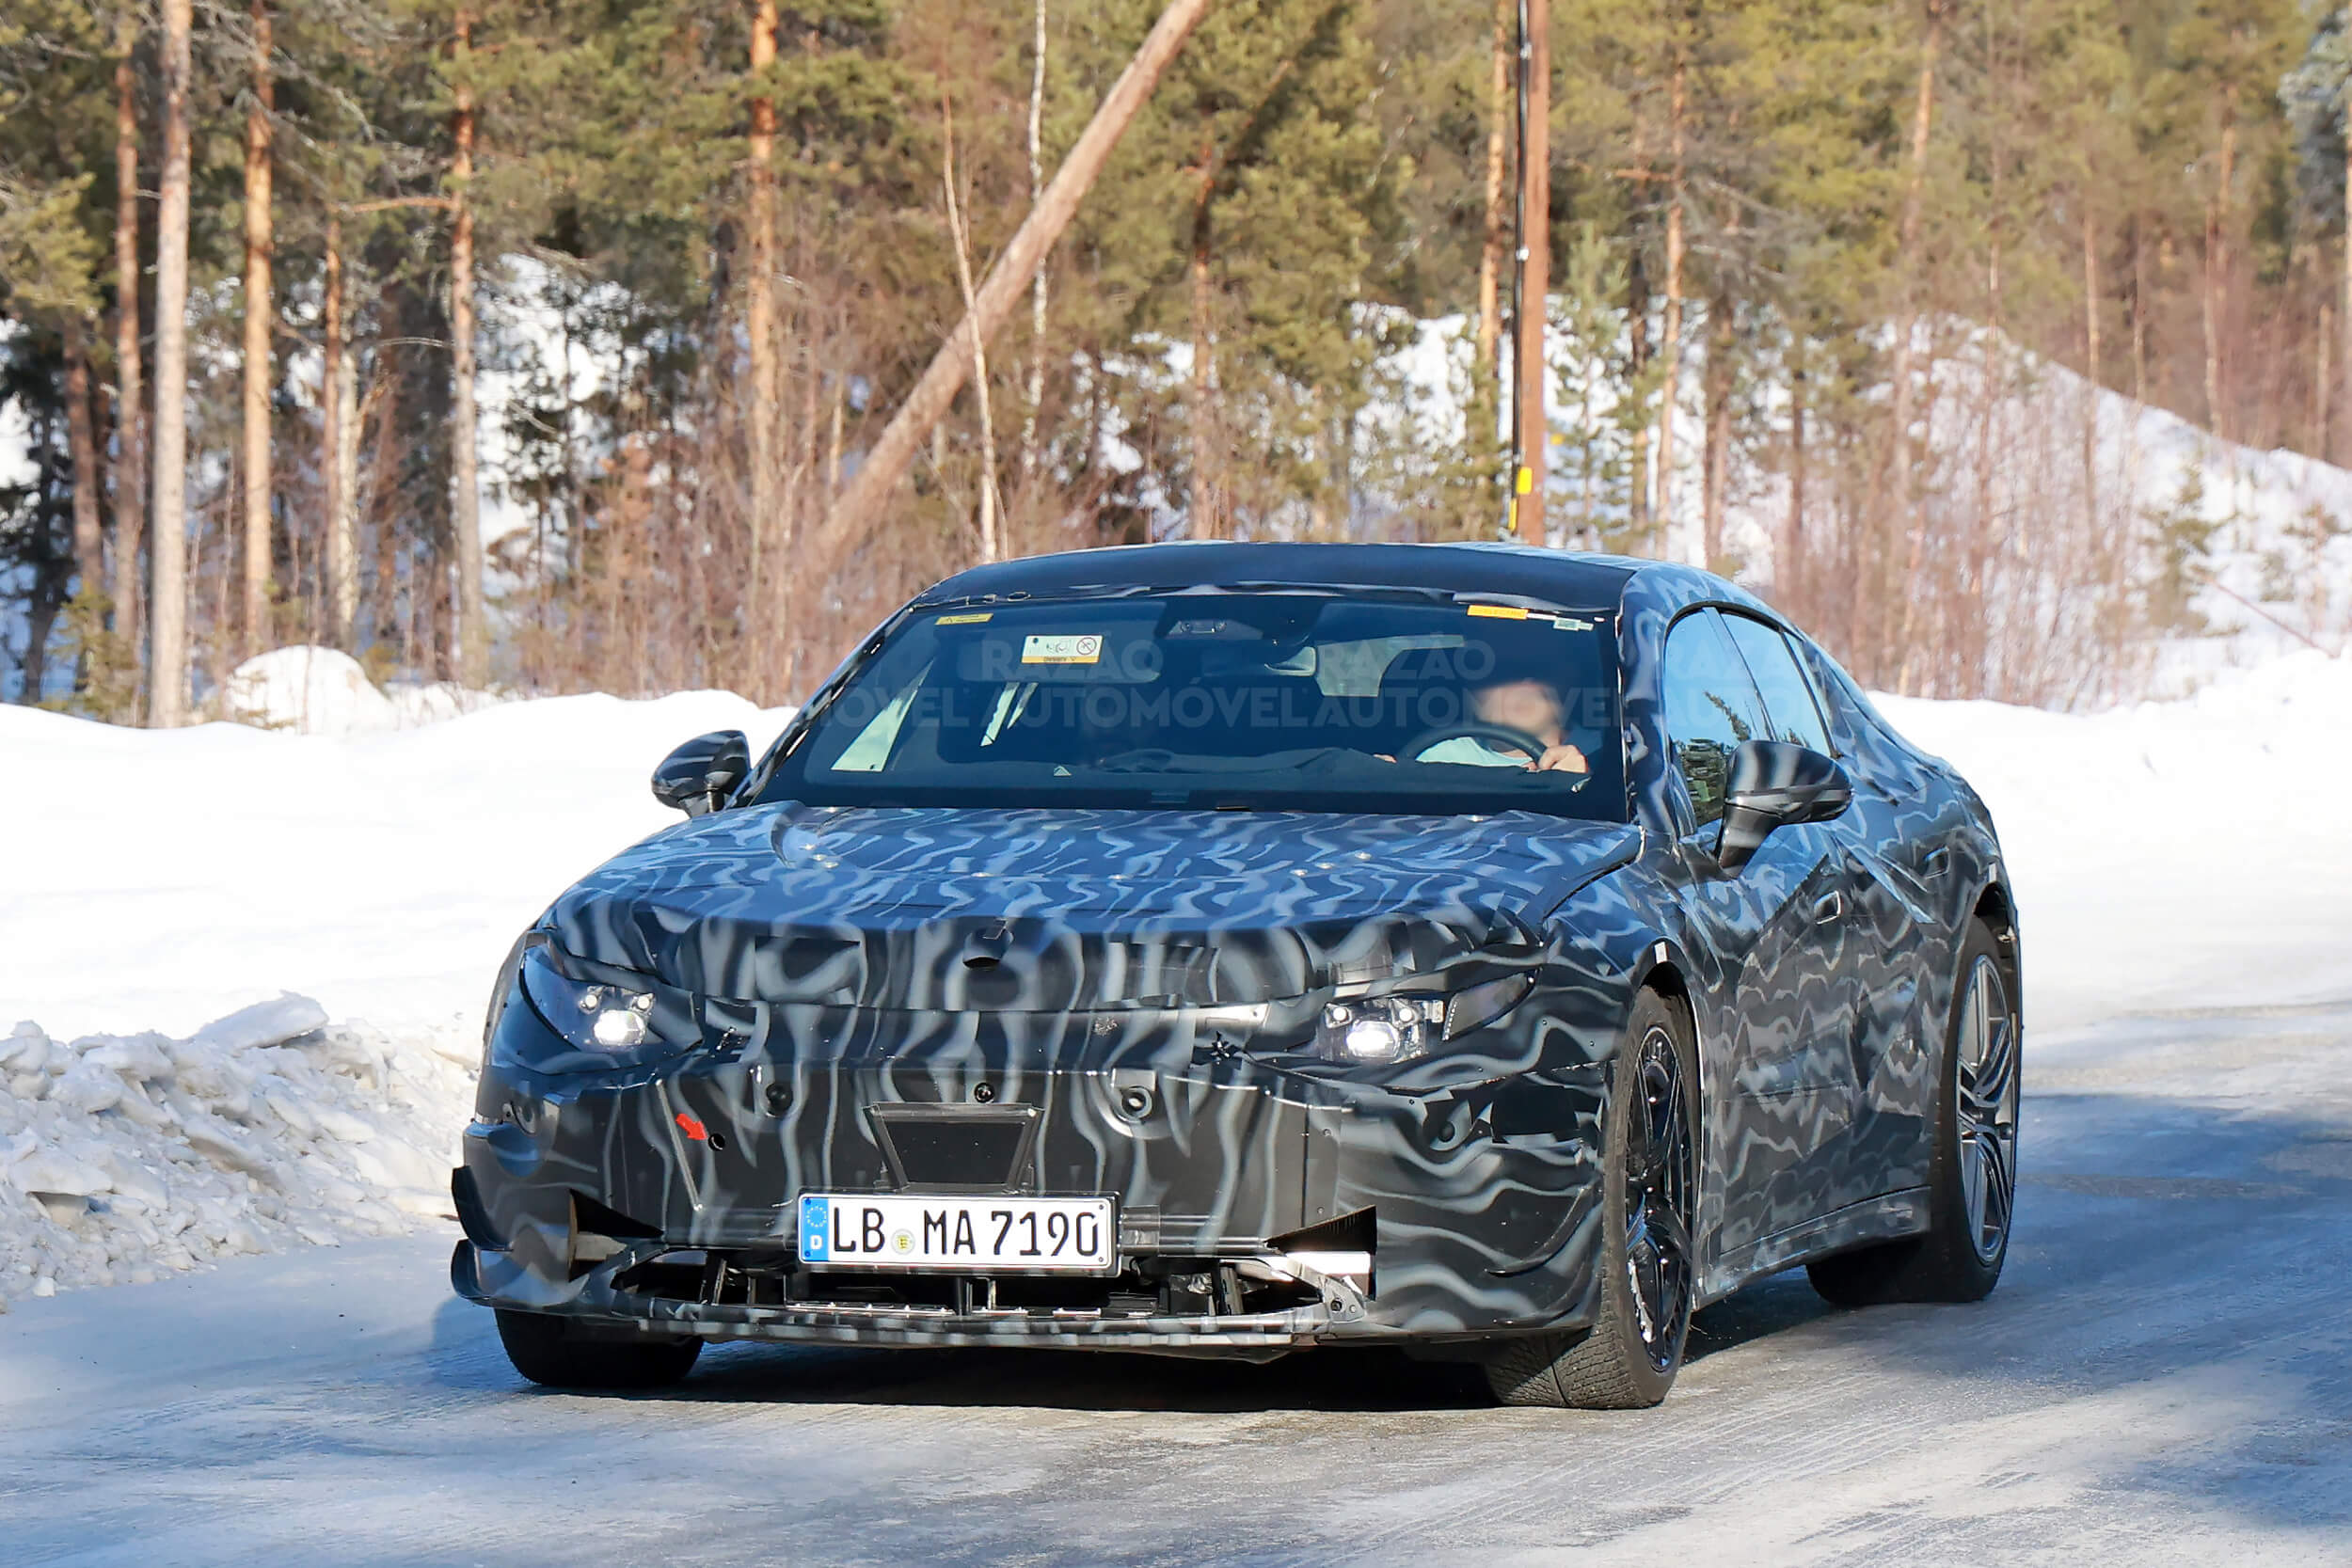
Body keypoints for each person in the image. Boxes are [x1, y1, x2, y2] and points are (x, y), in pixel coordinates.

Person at [1417, 677, 1590, 773]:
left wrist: (1584, 784)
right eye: (1497, 676)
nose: (1521, 688)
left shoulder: (1610, 751)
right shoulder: (1440, 759)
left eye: (1535, 671)